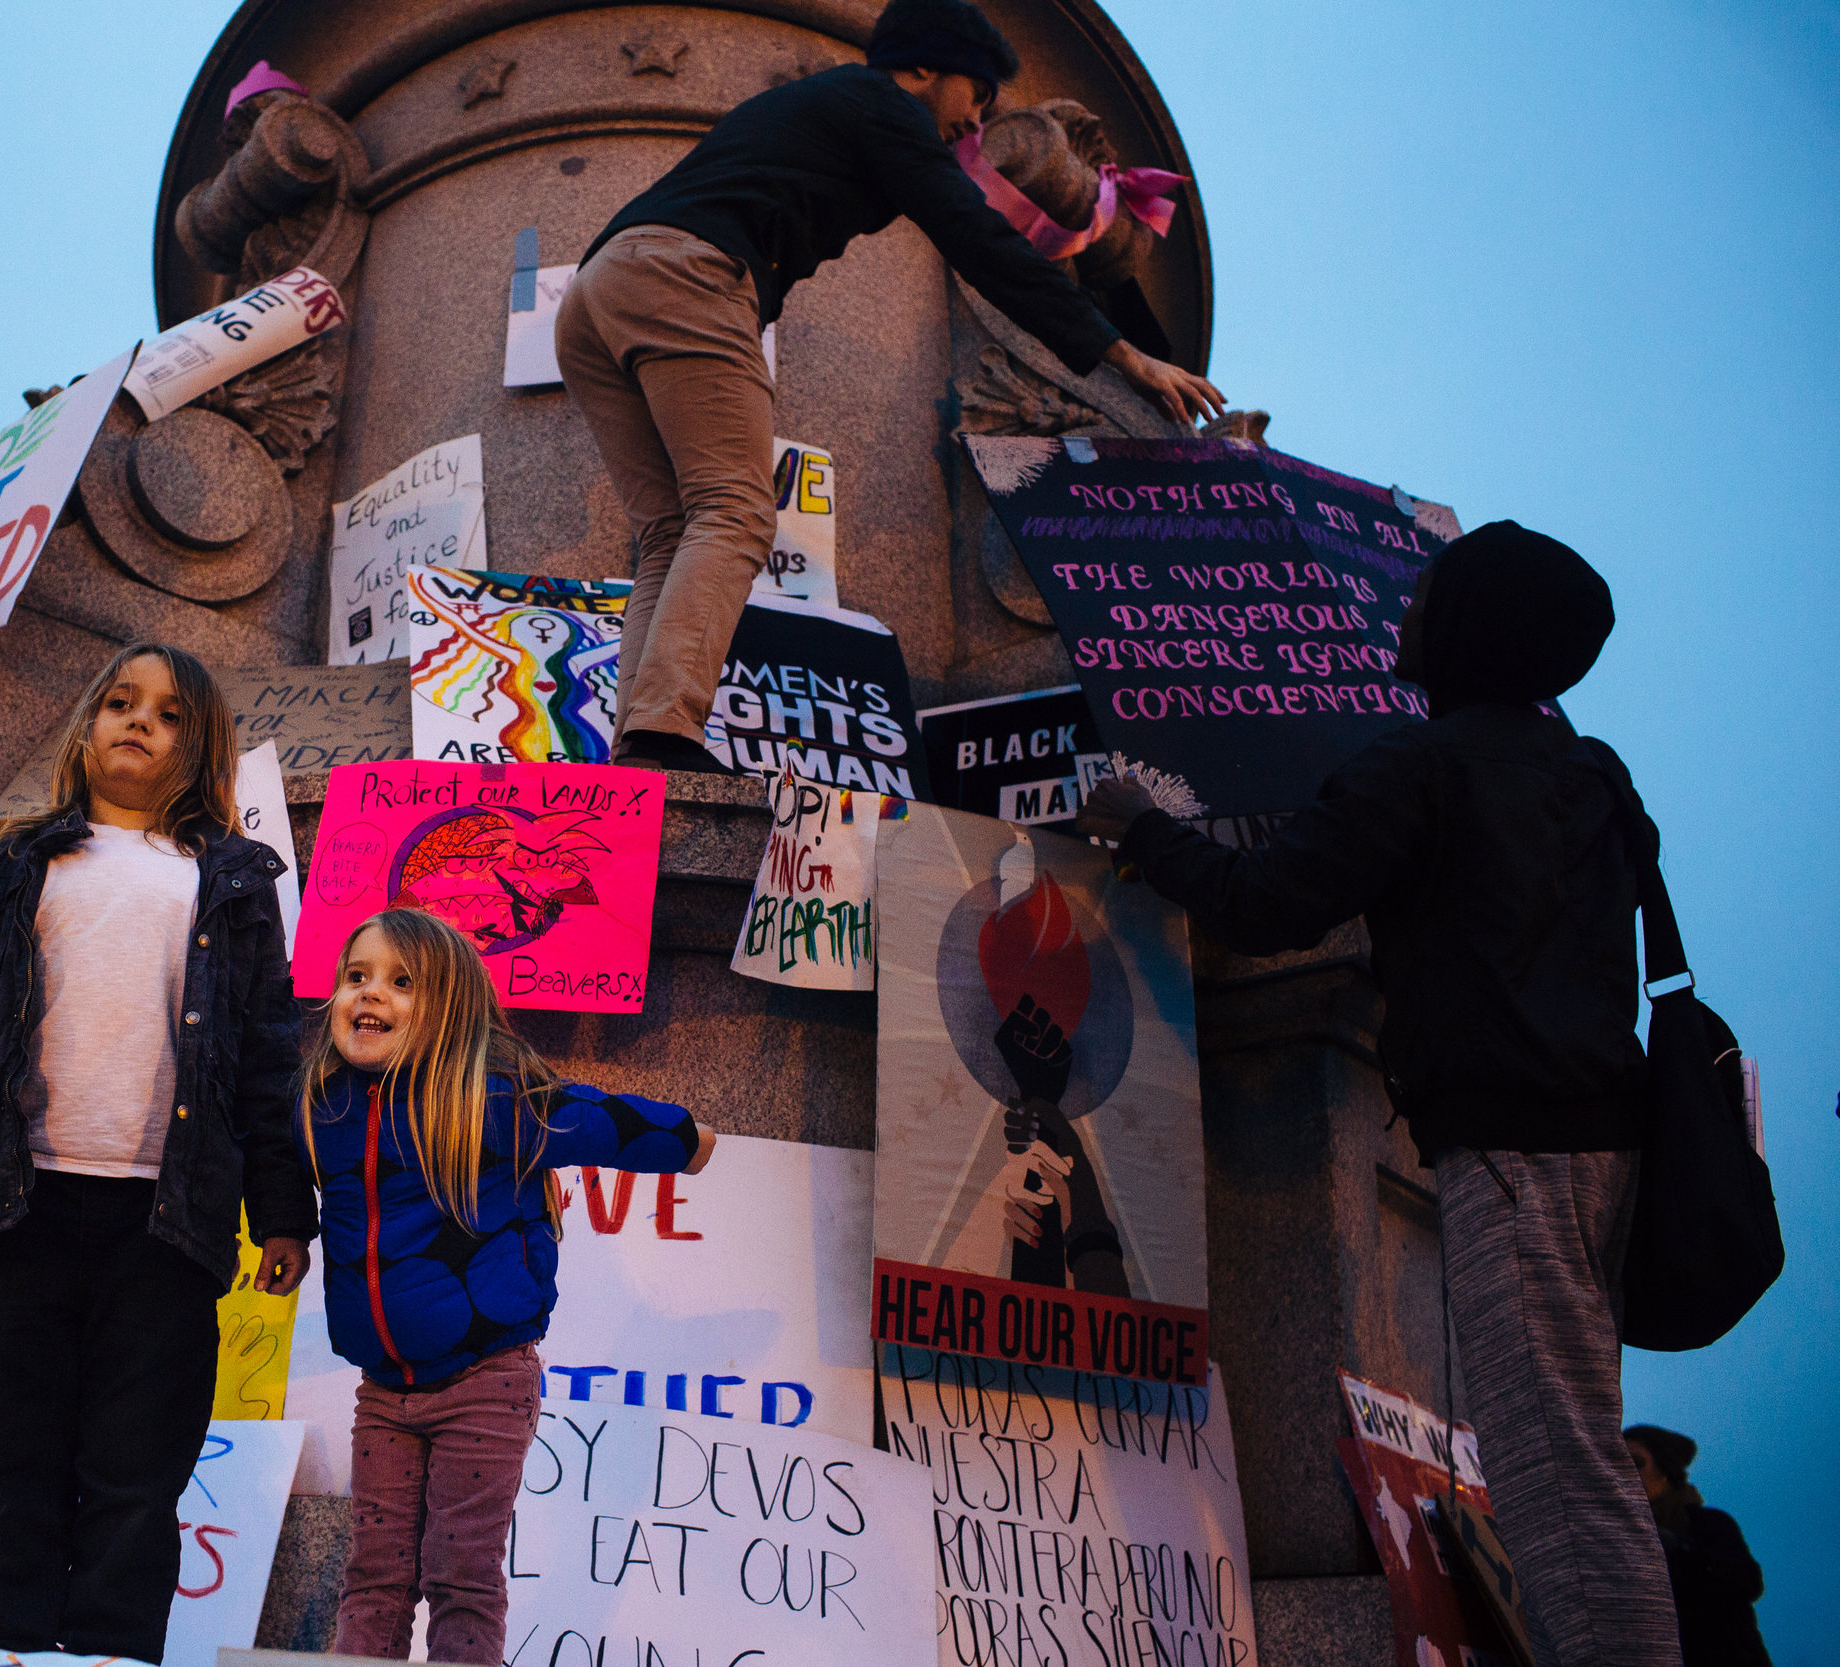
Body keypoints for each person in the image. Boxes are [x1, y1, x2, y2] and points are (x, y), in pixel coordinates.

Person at [1069, 521, 1679, 1666]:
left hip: (1510, 1148)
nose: (1398, 610)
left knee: (1555, 1472)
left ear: (1466, 626)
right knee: (1580, 1452)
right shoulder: (1589, 770)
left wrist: (1142, 826)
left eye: (1426, 594)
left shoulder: (1422, 766)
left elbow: (1267, 902)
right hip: (1605, 1146)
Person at [556, 0, 1224, 777]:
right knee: (735, 511)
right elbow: (978, 239)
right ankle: (665, 734)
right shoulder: (879, 102)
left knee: (672, 533)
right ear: (920, 72)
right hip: (688, 274)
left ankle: (636, 748)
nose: (973, 125)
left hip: (599, 288)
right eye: (974, 97)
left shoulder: (829, 106)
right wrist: (1124, 356)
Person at [0, 643, 316, 1662]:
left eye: (170, 714)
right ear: (86, 727)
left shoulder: (226, 882)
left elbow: (268, 1058)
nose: (138, 722)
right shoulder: (10, 870)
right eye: (120, 703)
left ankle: (110, 1653)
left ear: (203, 747)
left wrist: (282, 1208)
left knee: (138, 1477)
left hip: (165, 1222)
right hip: (21, 1210)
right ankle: (10, 1647)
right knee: (15, 1470)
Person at [299, 909, 717, 1663]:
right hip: (384, 1388)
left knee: (460, 1573)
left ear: (452, 1010)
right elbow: (267, 1157)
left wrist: (686, 1139)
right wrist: (277, 1230)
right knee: (376, 1573)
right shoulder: (324, 1102)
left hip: (484, 1380)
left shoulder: (487, 1097)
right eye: (355, 977)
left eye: (401, 982)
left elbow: (590, 1119)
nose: (370, 995)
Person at [1626, 1425, 1775, 1665]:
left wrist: (1677, 1548)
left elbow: (1747, 1581)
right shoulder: (1612, 1534)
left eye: (1636, 1462)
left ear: (1666, 1471)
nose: (1625, 1472)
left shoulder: (1707, 1523)